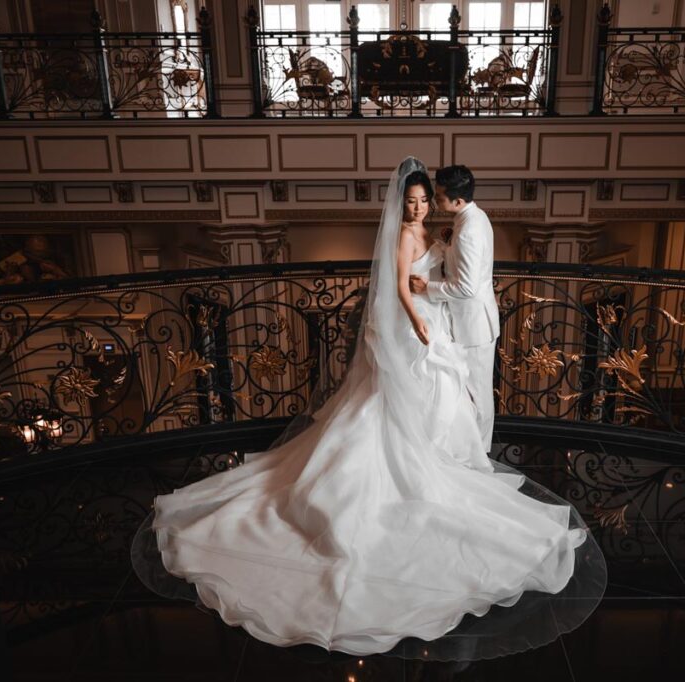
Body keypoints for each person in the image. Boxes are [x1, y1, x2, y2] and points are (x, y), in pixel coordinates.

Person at [135, 157, 605, 659]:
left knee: (442, 401)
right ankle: (408, 470)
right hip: (416, 325)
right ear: (403, 204)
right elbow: (401, 287)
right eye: (414, 202)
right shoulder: (406, 236)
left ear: (439, 200)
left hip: (439, 322)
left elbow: (451, 277)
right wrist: (419, 323)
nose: (421, 208)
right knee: (393, 404)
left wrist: (432, 310)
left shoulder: (447, 229)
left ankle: (439, 460)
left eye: (426, 201)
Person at [409, 165, 500, 455]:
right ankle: (472, 451)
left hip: (474, 326)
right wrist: (449, 244)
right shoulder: (471, 216)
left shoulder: (469, 231)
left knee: (478, 396)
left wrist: (428, 289)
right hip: (470, 321)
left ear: (457, 201)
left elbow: (467, 289)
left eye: (438, 196)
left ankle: (481, 457)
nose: (434, 202)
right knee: (471, 392)